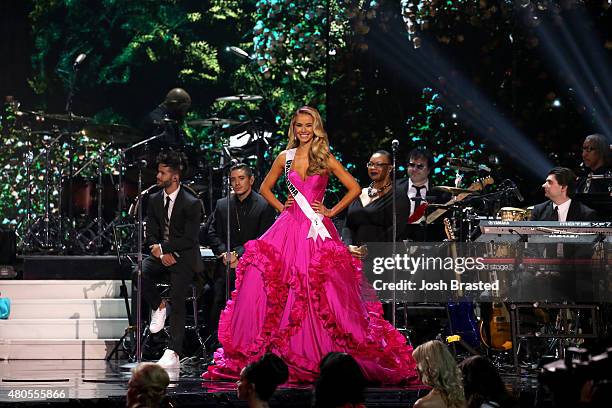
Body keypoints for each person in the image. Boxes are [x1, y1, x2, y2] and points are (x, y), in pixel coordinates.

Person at [202, 106, 418, 384]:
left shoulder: (323, 156)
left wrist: (330, 211)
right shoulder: (285, 157)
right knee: (274, 281)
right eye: (299, 125)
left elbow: (353, 187)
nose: (303, 130)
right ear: (293, 128)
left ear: (315, 127)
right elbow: (265, 188)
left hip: (316, 230)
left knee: (322, 289)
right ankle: (279, 350)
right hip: (289, 227)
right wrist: (282, 207)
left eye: (308, 125)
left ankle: (321, 350)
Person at [135, 150, 204, 368]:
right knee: (138, 272)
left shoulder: (192, 203)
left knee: (178, 293)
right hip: (161, 254)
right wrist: (160, 252)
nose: (158, 176)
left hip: (184, 257)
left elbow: (190, 239)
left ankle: (173, 350)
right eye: (158, 171)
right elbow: (151, 233)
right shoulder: (154, 199)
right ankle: (159, 305)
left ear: (174, 177)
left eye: (162, 173)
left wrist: (166, 249)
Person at [207, 163, 276, 345]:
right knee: (219, 297)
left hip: (253, 264)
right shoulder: (222, 205)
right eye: (233, 180)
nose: (237, 183)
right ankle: (219, 343)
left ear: (251, 180)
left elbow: (264, 238)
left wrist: (238, 254)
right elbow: (211, 232)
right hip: (225, 263)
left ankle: (248, 341)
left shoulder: (264, 206)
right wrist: (224, 253)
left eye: (241, 178)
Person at [342, 150, 399, 259]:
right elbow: (347, 226)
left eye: (379, 164)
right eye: (370, 164)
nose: (373, 167)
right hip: (354, 258)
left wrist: (370, 248)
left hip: (383, 260)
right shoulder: (358, 193)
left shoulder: (397, 195)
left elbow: (397, 230)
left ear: (390, 168)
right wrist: (348, 246)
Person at [397, 148, 450, 242]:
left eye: (420, 166)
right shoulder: (394, 188)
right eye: (411, 165)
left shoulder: (440, 195)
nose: (414, 169)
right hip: (397, 245)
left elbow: (443, 228)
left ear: (429, 170)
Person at [531, 167, 596, 222]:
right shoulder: (538, 211)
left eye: (549, 182)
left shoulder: (585, 214)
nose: (543, 185)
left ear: (563, 187)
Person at [412, 340, 465, 408]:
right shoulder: (460, 398)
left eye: (418, 363)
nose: (415, 368)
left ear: (427, 366)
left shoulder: (423, 404)